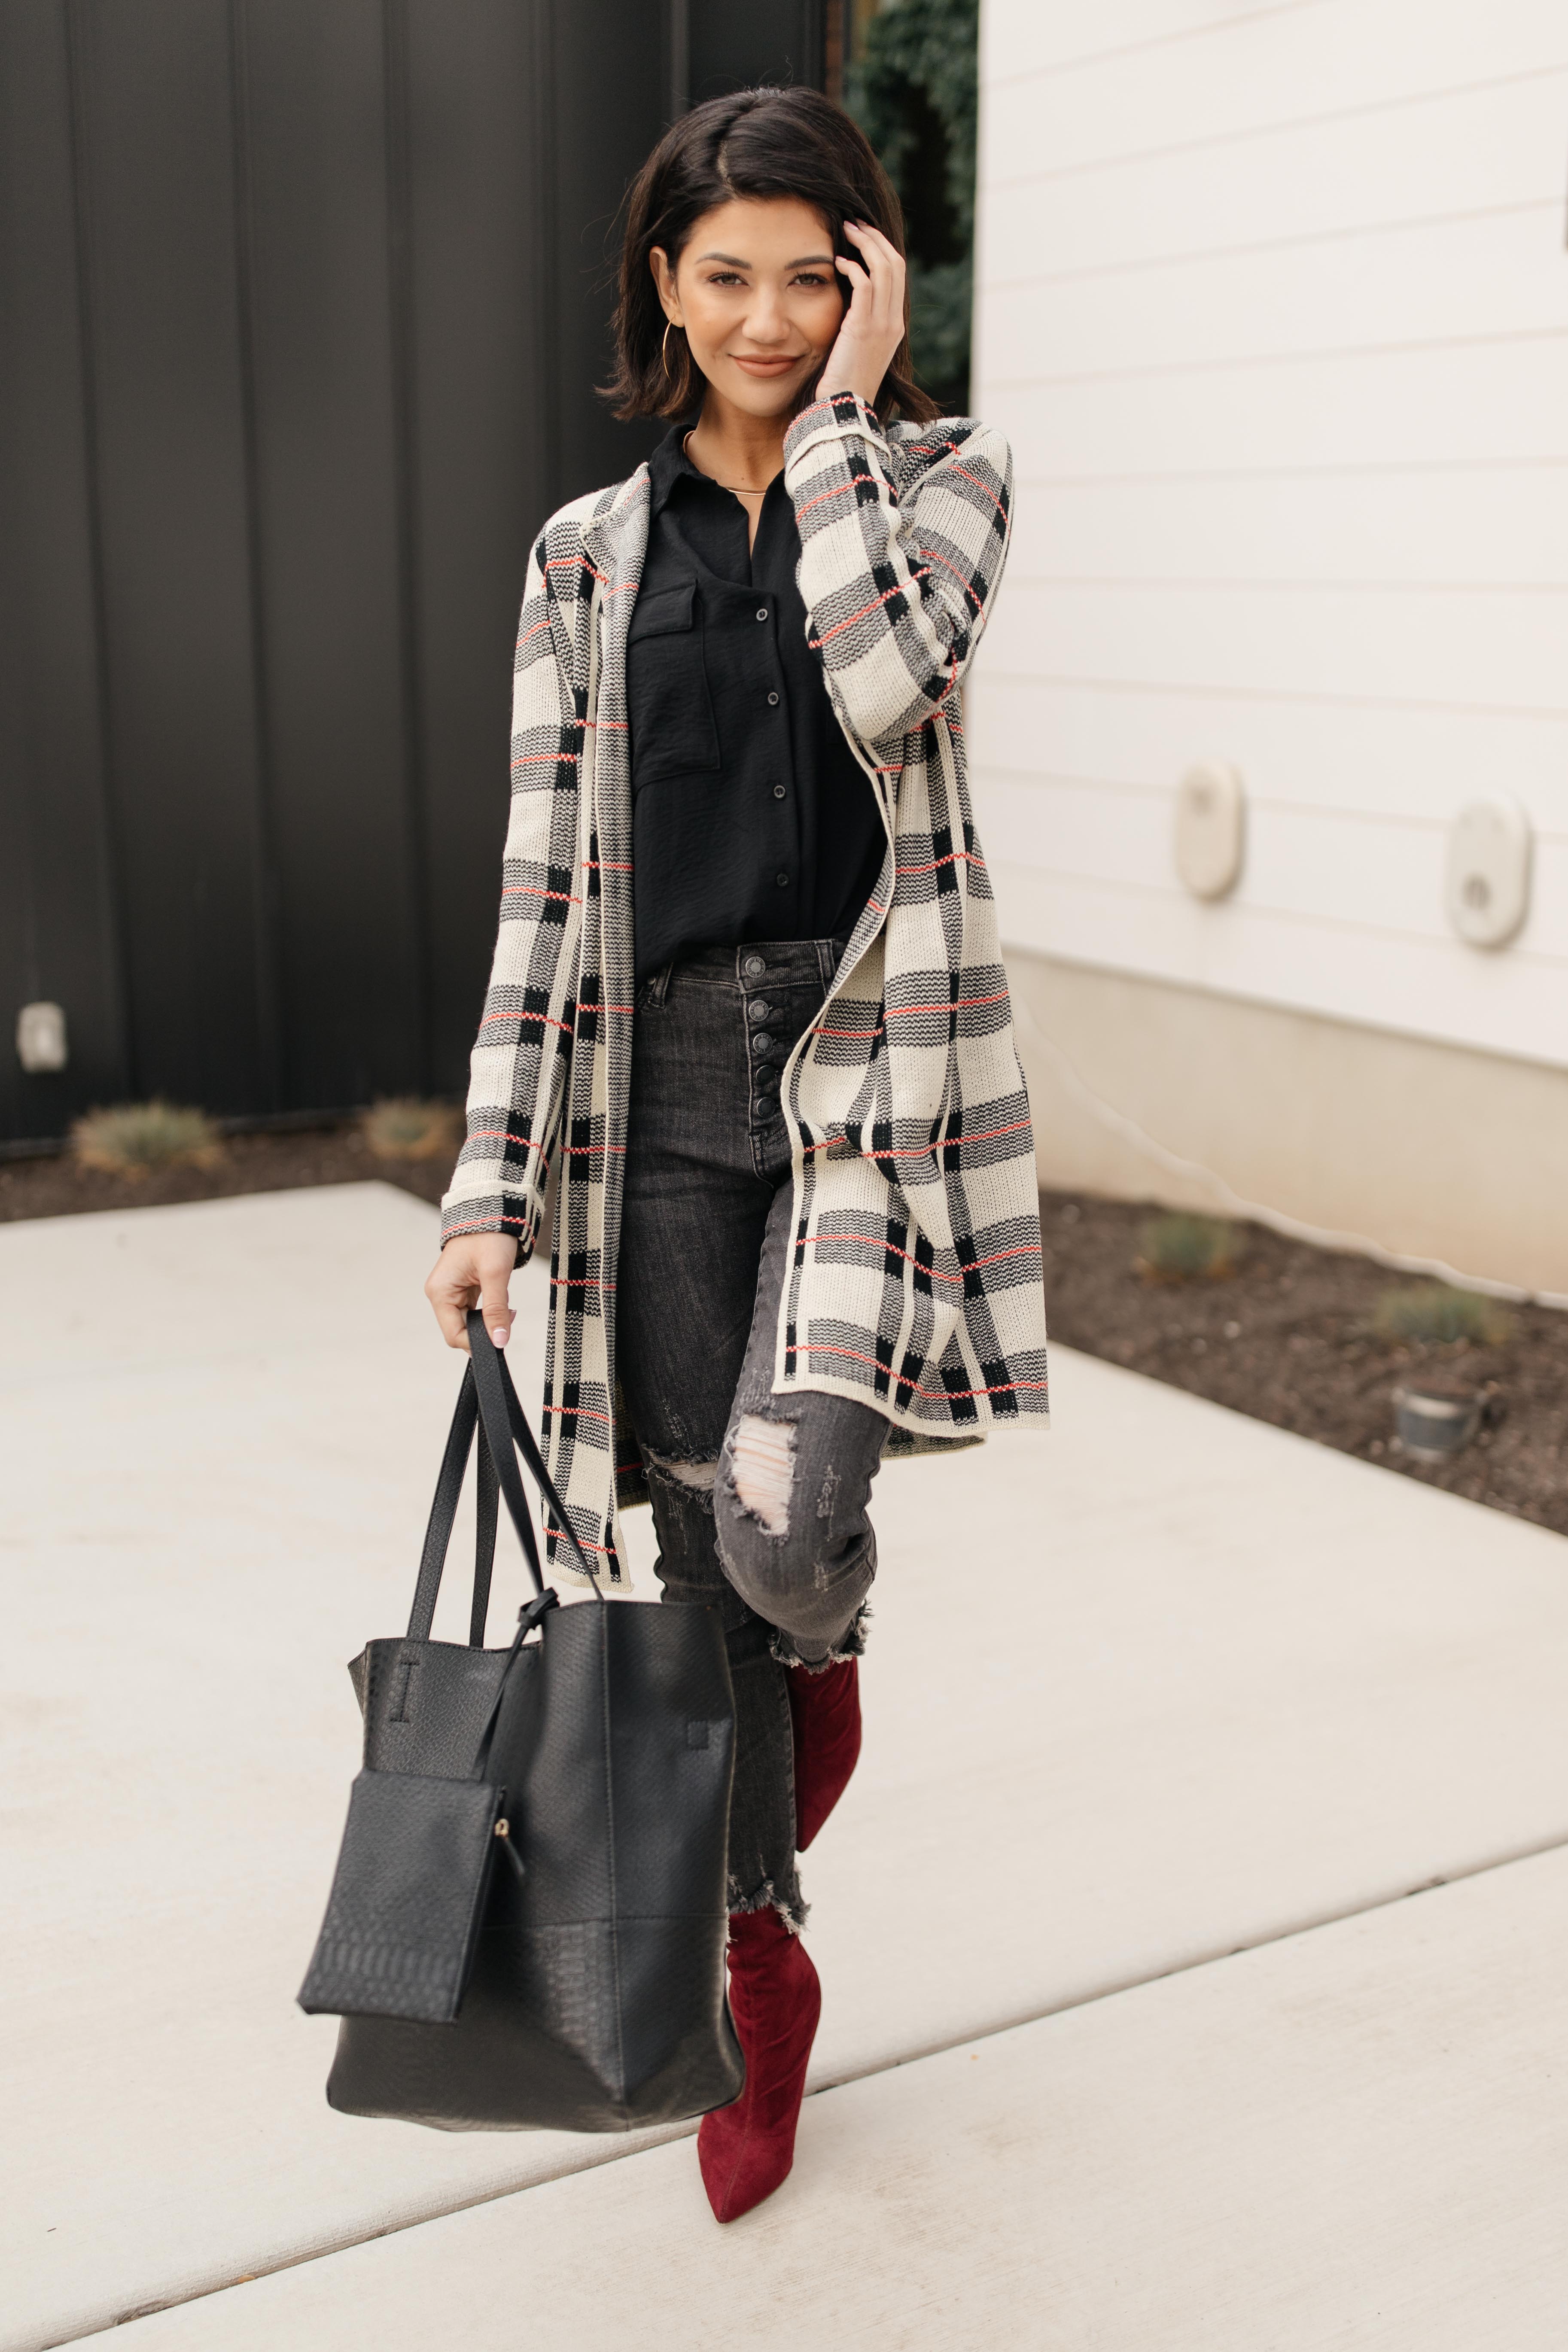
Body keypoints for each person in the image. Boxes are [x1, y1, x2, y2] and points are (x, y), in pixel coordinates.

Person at [426, 84, 1048, 2222]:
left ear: (868, 276)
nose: (767, 318)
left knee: (783, 1539)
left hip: (866, 1079)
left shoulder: (944, 482)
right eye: (727, 278)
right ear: (663, 287)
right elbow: (543, 892)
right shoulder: (583, 556)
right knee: (690, 1582)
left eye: (811, 276)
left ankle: (821, 1631)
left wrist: (854, 416)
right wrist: (489, 1180)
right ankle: (756, 1972)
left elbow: (892, 679)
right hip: (663, 1097)